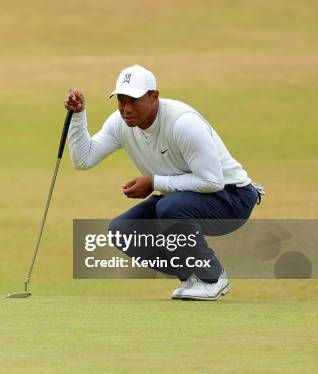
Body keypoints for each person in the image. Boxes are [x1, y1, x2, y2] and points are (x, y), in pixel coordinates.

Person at [64, 64, 264, 301]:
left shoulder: (183, 122)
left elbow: (212, 181)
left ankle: (212, 277)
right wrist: (78, 117)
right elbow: (83, 160)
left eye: (134, 101)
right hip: (182, 197)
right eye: (121, 101)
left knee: (169, 208)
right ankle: (191, 275)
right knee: (123, 231)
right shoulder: (120, 123)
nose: (126, 109)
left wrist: (154, 182)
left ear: (154, 96)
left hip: (233, 199)